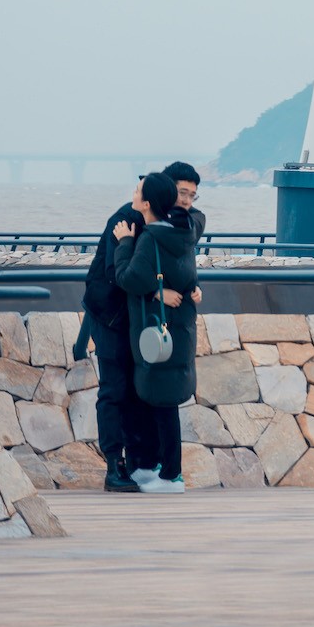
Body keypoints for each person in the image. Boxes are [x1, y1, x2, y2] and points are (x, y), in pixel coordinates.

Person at [113, 169, 201, 493]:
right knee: (164, 404)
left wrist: (124, 243)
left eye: (138, 191)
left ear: (148, 203)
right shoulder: (183, 233)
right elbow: (187, 278)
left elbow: (129, 278)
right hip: (178, 330)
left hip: (157, 329)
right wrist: (159, 290)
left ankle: (171, 476)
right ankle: (160, 469)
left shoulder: (150, 238)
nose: (134, 195)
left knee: (163, 406)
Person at [82, 177, 152, 492]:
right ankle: (114, 466)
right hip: (109, 314)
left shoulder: (163, 224)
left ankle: (138, 462)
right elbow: (115, 274)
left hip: (135, 318)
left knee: (137, 390)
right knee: (114, 389)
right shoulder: (124, 221)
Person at [164, 161, 207, 245]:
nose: (187, 201)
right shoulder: (147, 209)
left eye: (192, 196)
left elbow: (186, 229)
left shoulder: (196, 217)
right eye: (183, 193)